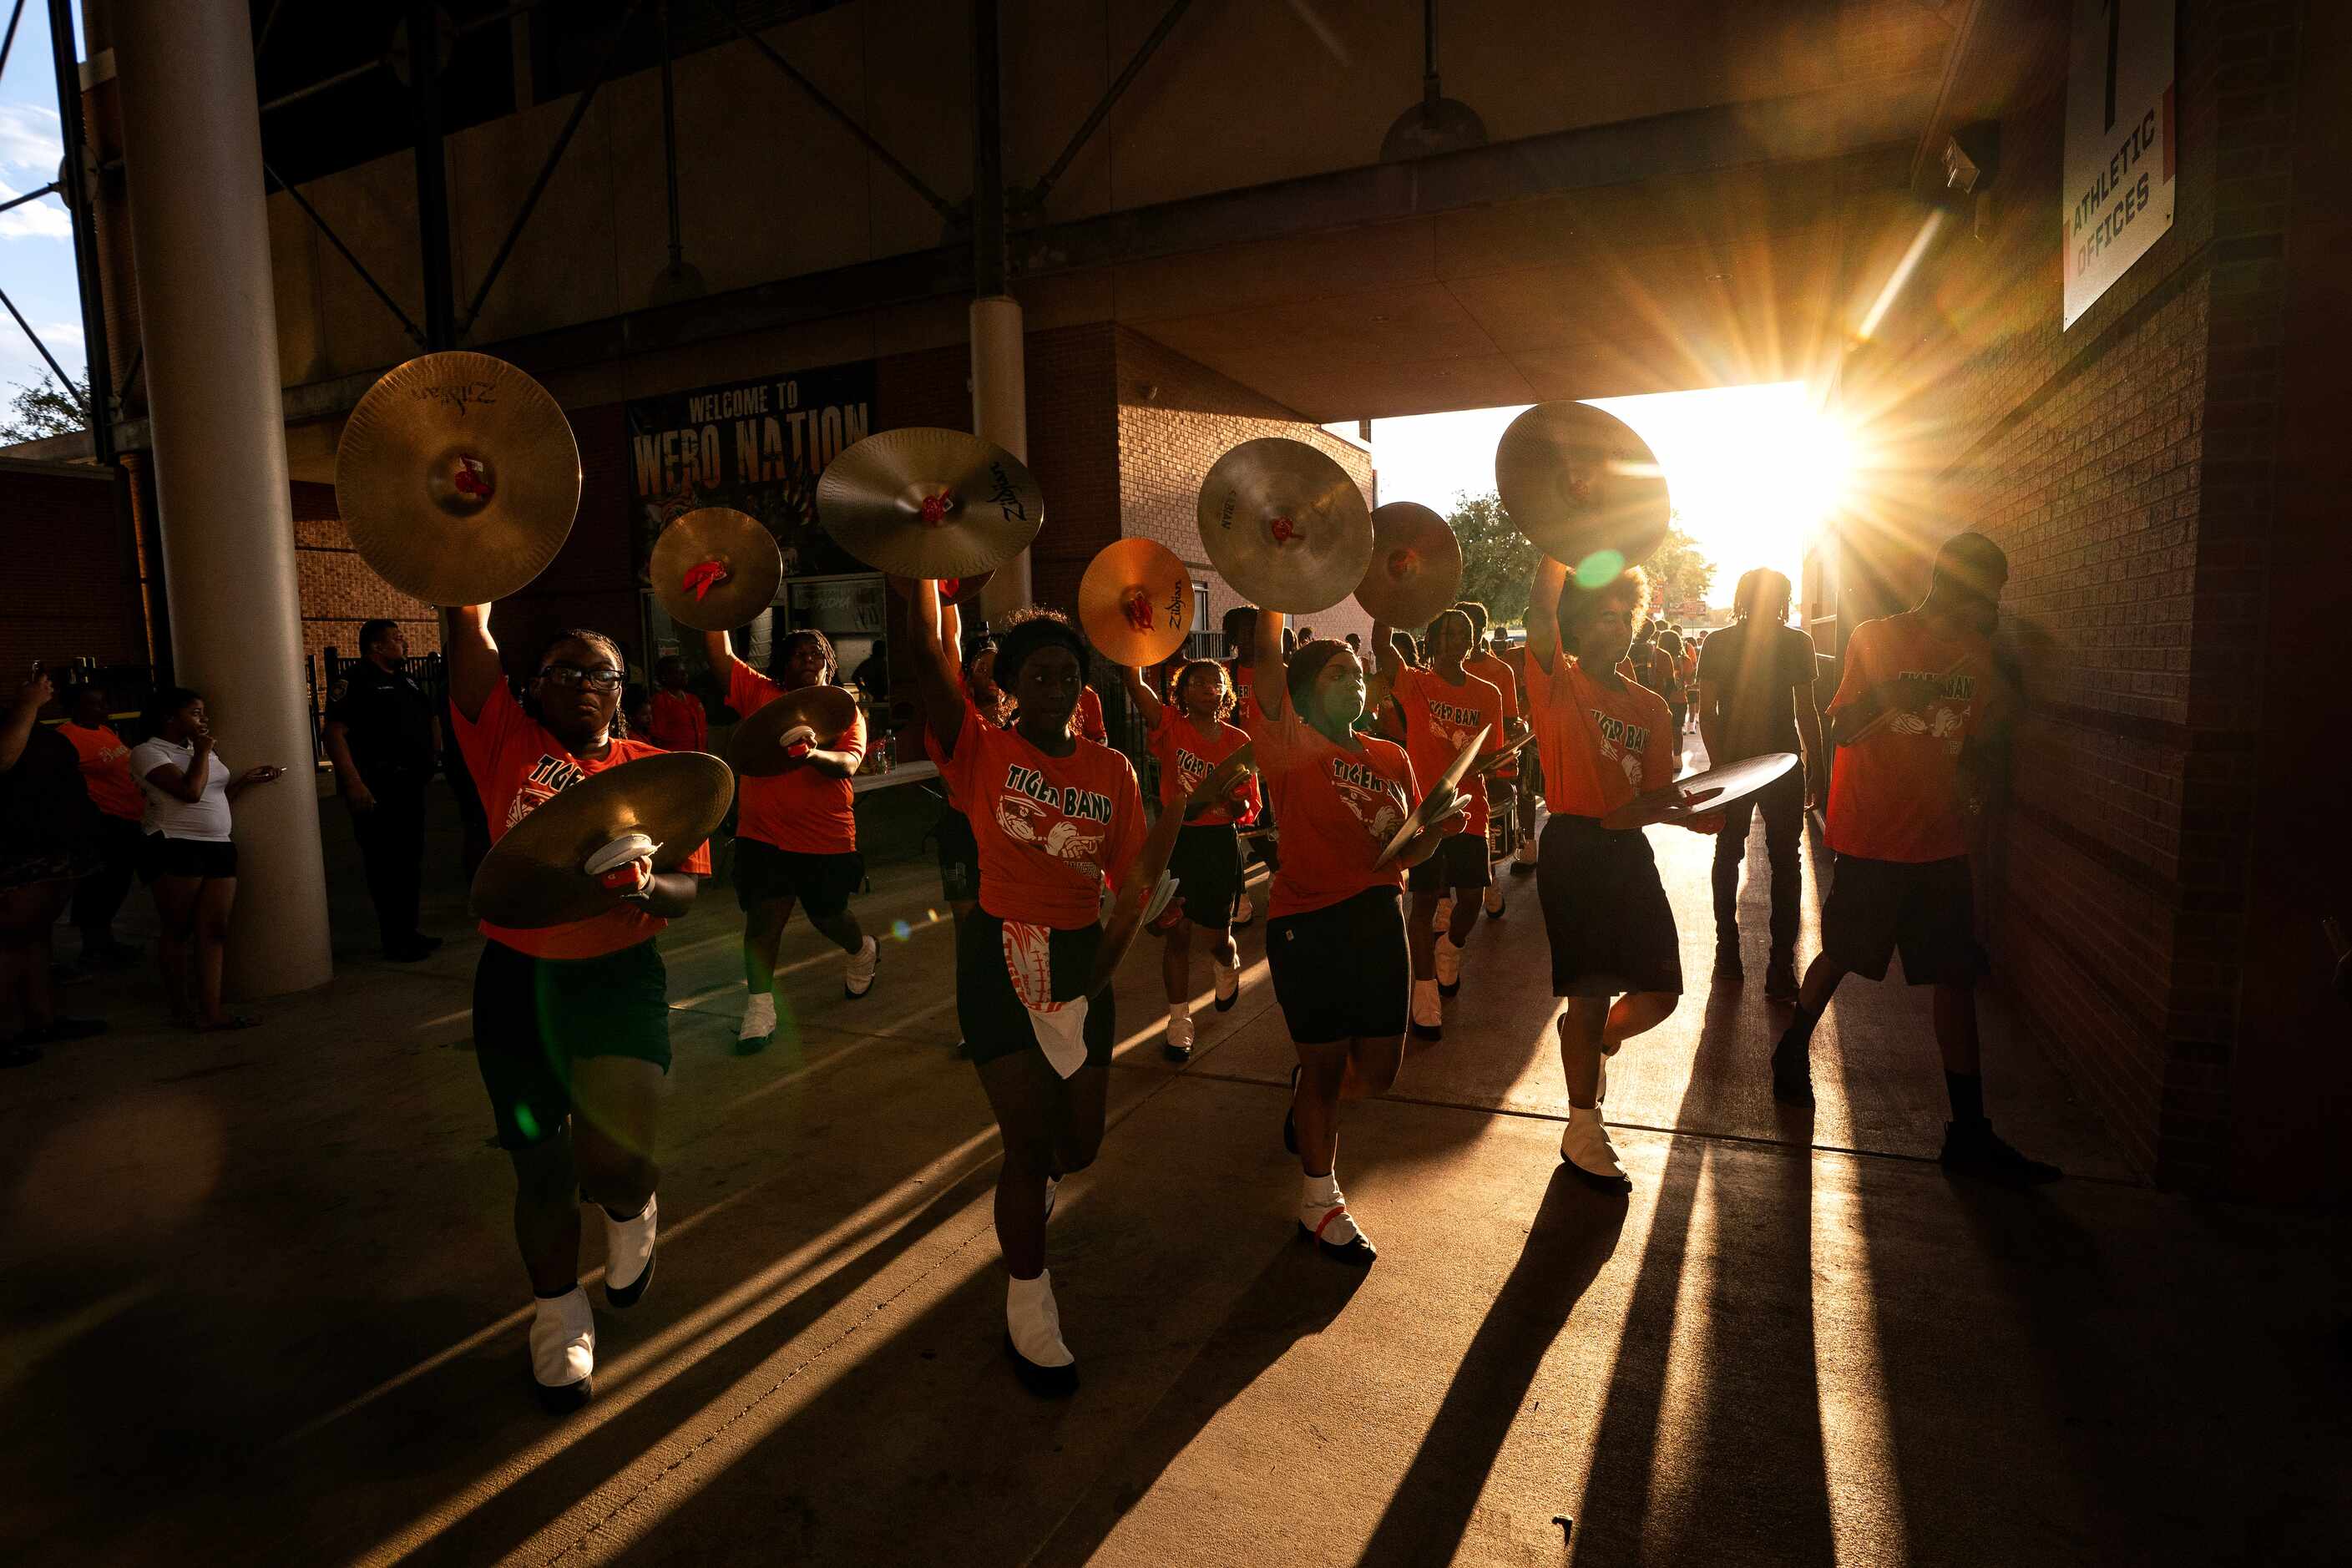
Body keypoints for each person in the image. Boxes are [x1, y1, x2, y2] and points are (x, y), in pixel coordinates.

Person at [448, 607, 711, 1410]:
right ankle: (558, 1316)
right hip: (515, 983)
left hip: (616, 981)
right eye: (565, 670)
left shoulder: (656, 772)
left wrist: (641, 886)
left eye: (600, 673)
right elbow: (470, 628)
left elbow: (688, 891)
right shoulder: (506, 741)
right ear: (534, 686)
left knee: (612, 1161)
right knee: (541, 1170)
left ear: (621, 691)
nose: (584, 685)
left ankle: (633, 1209)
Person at [910, 587, 1149, 1395]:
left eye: (1067, 672)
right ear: (1011, 686)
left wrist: (1168, 874)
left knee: (1076, 1146)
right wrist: (922, 569)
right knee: (1025, 1142)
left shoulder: (1113, 771)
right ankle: (1029, 1303)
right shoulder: (980, 751)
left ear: (1084, 686)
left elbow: (1134, 875)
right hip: (996, 958)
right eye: (1037, 673)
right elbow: (929, 665)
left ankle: (1041, 1183)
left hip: (1084, 962)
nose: (1054, 682)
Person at [1770, 533, 2057, 1185]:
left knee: (1954, 978)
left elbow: (1980, 739)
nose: (1994, 606)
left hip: (1940, 842)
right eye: (1989, 592)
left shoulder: (1979, 658)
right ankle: (1791, 1050)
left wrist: (1979, 782)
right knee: (1843, 954)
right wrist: (1891, 694)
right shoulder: (1877, 637)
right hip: (1872, 837)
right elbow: (1841, 725)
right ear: (1958, 586)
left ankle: (1969, 1134)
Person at [1247, 606, 1459, 1269]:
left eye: (1358, 674)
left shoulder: (1391, 756)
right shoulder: (1286, 743)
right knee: (1322, 1066)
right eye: (1338, 675)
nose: (1355, 684)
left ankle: (1309, 1098)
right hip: (1305, 924)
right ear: (1305, 692)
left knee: (1377, 1074)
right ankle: (1319, 1199)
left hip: (1376, 920)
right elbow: (1264, 655)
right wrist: (1276, 579)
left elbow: (1410, 850)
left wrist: (1435, 834)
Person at [1525, 556, 1715, 1186]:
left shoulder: (1651, 706)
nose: (1619, 627)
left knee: (1661, 992)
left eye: (1624, 616)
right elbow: (1538, 609)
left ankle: (1594, 1043)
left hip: (1627, 852)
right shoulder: (1557, 681)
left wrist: (1692, 818)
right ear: (1577, 628)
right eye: (1603, 617)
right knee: (1588, 992)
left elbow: (1654, 795)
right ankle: (1583, 1127)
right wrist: (1559, 543)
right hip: (1574, 848)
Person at [701, 625, 879, 1051]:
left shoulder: (844, 710)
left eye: (815, 653)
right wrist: (712, 607)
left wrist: (812, 753)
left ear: (828, 662)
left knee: (827, 916)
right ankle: (760, 1009)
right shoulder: (761, 695)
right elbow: (719, 654)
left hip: (825, 836)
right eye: (797, 653)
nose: (806, 659)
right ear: (783, 663)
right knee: (763, 922)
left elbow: (849, 764)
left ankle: (861, 949)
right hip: (761, 836)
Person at [1368, 609, 1505, 1040]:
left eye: (1461, 633)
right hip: (1425, 811)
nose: (1452, 640)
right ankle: (1424, 991)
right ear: (1431, 639)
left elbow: (1487, 755)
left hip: (1470, 808)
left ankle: (1453, 947)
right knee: (1424, 904)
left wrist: (1501, 759)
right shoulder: (1416, 682)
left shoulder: (1489, 693)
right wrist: (1389, 598)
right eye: (1444, 632)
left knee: (1470, 901)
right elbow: (1380, 645)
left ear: (1472, 640)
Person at [1120, 656, 1259, 1063]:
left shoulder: (1239, 743)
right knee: (1176, 933)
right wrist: (1133, 650)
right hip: (1175, 842)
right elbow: (1135, 686)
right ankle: (1179, 1021)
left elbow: (1247, 807)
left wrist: (1233, 804)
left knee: (1215, 939)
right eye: (1196, 682)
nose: (1206, 688)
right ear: (1182, 692)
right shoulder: (1170, 727)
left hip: (1218, 845)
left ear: (1225, 691)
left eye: (1214, 682)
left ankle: (1227, 960)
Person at [1697, 567, 1825, 996]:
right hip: (1784, 763)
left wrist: (1721, 766)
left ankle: (1727, 950)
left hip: (1739, 763)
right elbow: (1805, 711)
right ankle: (1780, 966)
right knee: (1786, 863)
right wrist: (1817, 766)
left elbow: (1708, 712)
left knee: (1728, 853)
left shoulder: (1718, 643)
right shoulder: (1797, 643)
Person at [131, 685, 286, 1030]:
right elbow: (188, 792)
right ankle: (181, 1010)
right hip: (175, 843)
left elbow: (212, 795)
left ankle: (212, 1011)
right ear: (170, 718)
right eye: (196, 713)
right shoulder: (149, 752)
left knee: (214, 930)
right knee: (178, 929)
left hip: (217, 843)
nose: (204, 719)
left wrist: (245, 781)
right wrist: (202, 752)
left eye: (204, 712)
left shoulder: (201, 749)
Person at [323, 619, 444, 961]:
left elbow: (428, 715)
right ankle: (395, 939)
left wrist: (435, 751)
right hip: (378, 786)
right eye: (396, 639)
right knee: (386, 864)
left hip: (410, 785)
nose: (403, 643)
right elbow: (334, 734)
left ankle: (409, 931)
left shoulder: (406, 680)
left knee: (409, 862)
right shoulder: (355, 682)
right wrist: (353, 782)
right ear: (376, 647)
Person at [1, 672, 106, 1063]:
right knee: (10, 942)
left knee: (35, 937)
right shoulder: (16, 721)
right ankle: (7, 1030)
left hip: (53, 848)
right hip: (19, 854)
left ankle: (41, 1019)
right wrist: (27, 705)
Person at [58, 680, 146, 968]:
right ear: (76, 707)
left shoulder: (105, 731)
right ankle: (94, 948)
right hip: (105, 822)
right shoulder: (67, 738)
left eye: (104, 702)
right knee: (99, 886)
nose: (104, 708)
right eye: (95, 704)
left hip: (130, 816)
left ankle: (105, 944)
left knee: (117, 883)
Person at [1458, 601, 1530, 918]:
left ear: (1480, 631)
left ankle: (1490, 883)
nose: (1464, 638)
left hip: (1489, 762)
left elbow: (1512, 719)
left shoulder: (1501, 671)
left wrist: (1517, 732)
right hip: (1451, 762)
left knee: (1483, 825)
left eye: (1470, 630)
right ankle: (1447, 901)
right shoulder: (1441, 669)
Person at [645, 655, 709, 753]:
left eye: (685, 671)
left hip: (699, 756)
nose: (685, 675)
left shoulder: (694, 699)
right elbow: (657, 737)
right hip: (676, 759)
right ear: (665, 677)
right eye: (679, 672)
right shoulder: (660, 701)